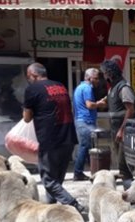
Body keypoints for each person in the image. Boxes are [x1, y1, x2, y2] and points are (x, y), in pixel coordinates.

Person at [21, 63, 85, 212]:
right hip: (68, 138)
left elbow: (27, 118)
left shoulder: (32, 89)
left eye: (28, 77)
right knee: (57, 181)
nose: (28, 79)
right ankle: (49, 210)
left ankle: (73, 204)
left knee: (48, 181)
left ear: (33, 75)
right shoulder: (60, 86)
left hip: (50, 141)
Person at [100, 60, 135, 188]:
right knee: (120, 164)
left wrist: (122, 130)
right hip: (115, 129)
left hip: (123, 129)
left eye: (104, 73)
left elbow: (130, 110)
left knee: (123, 164)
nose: (103, 76)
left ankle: (132, 195)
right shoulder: (112, 88)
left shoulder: (123, 87)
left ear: (110, 73)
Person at [72, 68, 107, 181]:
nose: (97, 81)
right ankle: (78, 172)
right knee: (85, 147)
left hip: (81, 121)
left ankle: (91, 170)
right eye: (95, 78)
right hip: (85, 122)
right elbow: (89, 105)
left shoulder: (80, 87)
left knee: (87, 147)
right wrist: (100, 104)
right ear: (88, 78)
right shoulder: (87, 88)